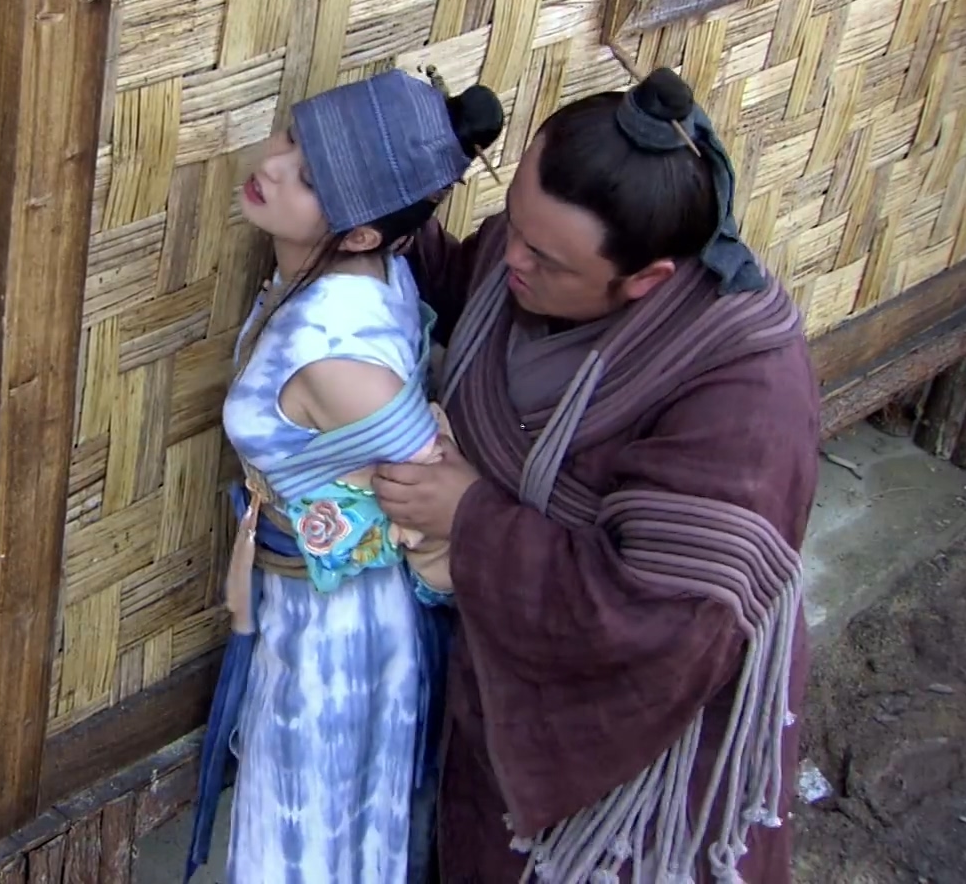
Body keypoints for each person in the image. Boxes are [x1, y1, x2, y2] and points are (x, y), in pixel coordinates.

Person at [374, 68, 820, 883]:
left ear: (646, 280)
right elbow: (464, 285)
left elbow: (659, 616)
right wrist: (380, 214)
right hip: (501, 672)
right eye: (513, 220)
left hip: (635, 740)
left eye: (543, 257)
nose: (510, 258)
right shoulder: (528, 262)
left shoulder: (746, 397)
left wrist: (471, 517)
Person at [184, 69, 504, 883]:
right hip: (315, 609)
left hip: (340, 635)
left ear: (361, 234)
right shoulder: (373, 274)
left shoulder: (333, 357)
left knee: (302, 846)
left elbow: (426, 480)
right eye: (293, 136)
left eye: (310, 177)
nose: (274, 165)